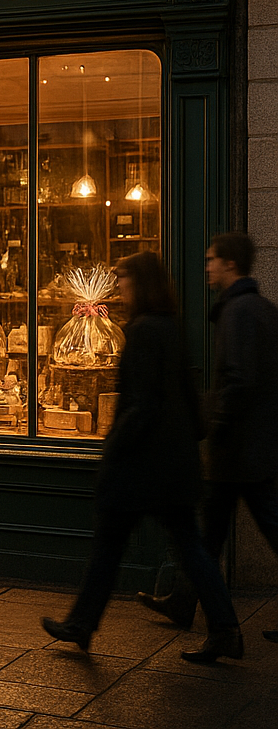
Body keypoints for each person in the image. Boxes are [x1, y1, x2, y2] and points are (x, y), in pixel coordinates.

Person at [42, 251, 243, 662]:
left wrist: (114, 448)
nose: (119, 286)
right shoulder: (168, 326)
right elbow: (186, 395)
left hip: (143, 465)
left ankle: (83, 623)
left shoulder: (144, 330)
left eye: (123, 278)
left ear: (140, 282)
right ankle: (224, 629)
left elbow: (141, 402)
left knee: (113, 545)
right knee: (182, 547)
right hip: (172, 462)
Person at [139, 232, 278, 645]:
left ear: (230, 265)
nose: (206, 267)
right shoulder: (263, 309)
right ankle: (186, 602)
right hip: (252, 448)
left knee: (231, 534)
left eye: (211, 259)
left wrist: (215, 425)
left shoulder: (238, 312)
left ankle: (212, 623)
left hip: (238, 451)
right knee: (206, 538)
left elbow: (238, 379)